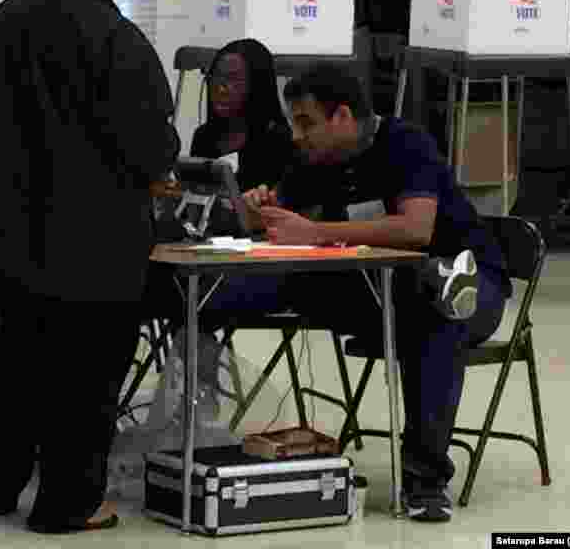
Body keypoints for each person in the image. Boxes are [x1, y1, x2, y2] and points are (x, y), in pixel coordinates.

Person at [0, 0, 180, 533]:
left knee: (8, 369)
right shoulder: (121, 42)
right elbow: (152, 149)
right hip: (95, 247)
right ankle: (68, 502)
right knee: (85, 385)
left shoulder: (5, 22)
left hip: (8, 235)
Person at [205, 64, 509, 523]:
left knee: (437, 316)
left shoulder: (407, 143)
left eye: (307, 122)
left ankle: (425, 481)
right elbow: (287, 226)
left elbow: (416, 227)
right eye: (294, 123)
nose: (298, 134)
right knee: (229, 292)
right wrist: (256, 215)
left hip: (471, 282)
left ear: (343, 116)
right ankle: (190, 439)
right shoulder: (312, 160)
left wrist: (316, 232)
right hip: (371, 285)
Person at [190, 39, 294, 193]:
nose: (221, 89)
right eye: (217, 77)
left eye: (233, 79)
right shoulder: (204, 137)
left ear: (257, 86)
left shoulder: (279, 141)